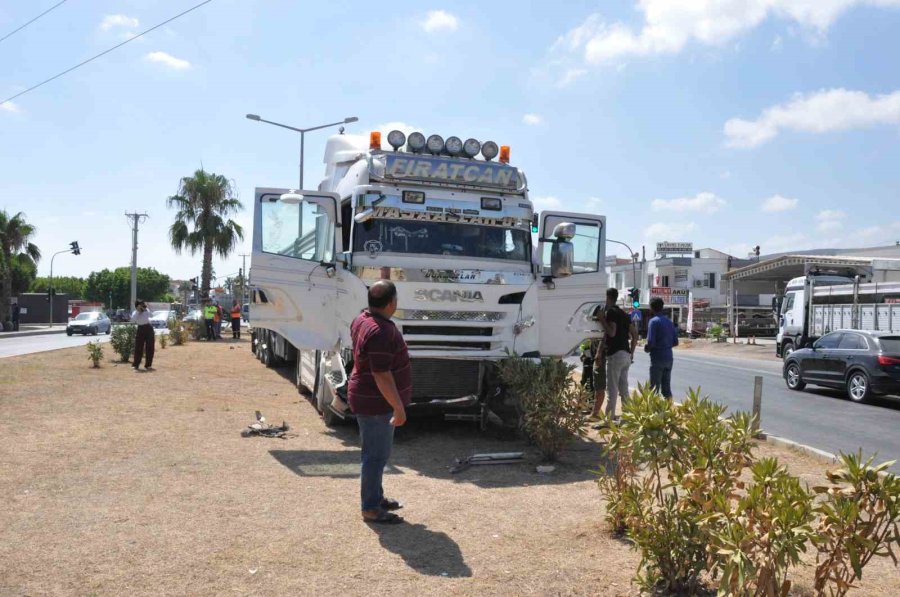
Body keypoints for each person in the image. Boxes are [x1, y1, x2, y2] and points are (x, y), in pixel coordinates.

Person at [348, 280, 411, 525]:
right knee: (375, 456)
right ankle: (371, 508)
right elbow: (381, 374)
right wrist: (398, 407)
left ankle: (376, 497)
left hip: (368, 398)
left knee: (375, 454)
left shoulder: (362, 319)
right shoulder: (381, 332)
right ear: (391, 302)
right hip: (376, 403)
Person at [594, 288, 638, 421]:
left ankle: (608, 420)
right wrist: (631, 354)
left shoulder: (611, 312)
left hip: (615, 354)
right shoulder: (623, 314)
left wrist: (602, 319)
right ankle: (629, 418)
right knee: (624, 389)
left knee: (612, 390)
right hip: (625, 355)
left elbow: (610, 333)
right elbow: (635, 335)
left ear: (607, 298)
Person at [645, 298, 679, 399]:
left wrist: (647, 348)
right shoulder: (669, 322)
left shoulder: (653, 322)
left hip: (657, 358)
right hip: (669, 358)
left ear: (651, 308)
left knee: (654, 390)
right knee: (666, 389)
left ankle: (654, 413)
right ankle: (669, 410)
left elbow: (651, 342)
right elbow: (676, 342)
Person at [131, 300, 155, 371]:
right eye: (140, 305)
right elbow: (132, 320)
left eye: (143, 305)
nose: (142, 306)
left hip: (148, 328)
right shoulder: (135, 312)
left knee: (150, 347)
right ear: (137, 306)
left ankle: (148, 365)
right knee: (138, 347)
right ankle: (136, 365)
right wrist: (138, 311)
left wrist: (145, 310)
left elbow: (151, 315)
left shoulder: (146, 310)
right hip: (140, 329)